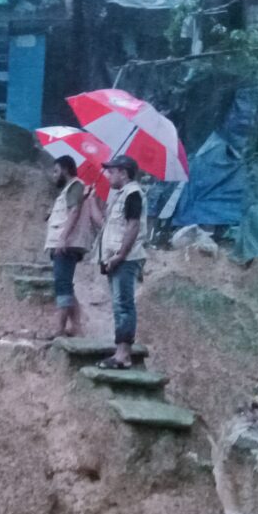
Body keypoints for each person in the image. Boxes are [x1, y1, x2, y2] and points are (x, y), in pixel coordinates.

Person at [97, 156, 147, 369]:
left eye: (112, 171)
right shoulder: (119, 195)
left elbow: (133, 226)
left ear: (124, 173)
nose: (109, 175)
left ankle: (124, 355)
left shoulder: (133, 193)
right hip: (115, 257)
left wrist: (120, 255)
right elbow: (107, 226)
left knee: (124, 304)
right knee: (119, 304)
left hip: (126, 258)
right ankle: (120, 351)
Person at [44, 155, 101, 339]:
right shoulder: (72, 189)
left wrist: (62, 238)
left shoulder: (75, 186)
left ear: (66, 170)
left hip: (67, 244)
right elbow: (70, 210)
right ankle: (76, 327)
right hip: (66, 243)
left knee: (62, 285)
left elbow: (74, 211)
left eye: (56, 171)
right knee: (66, 284)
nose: (53, 175)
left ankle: (59, 329)